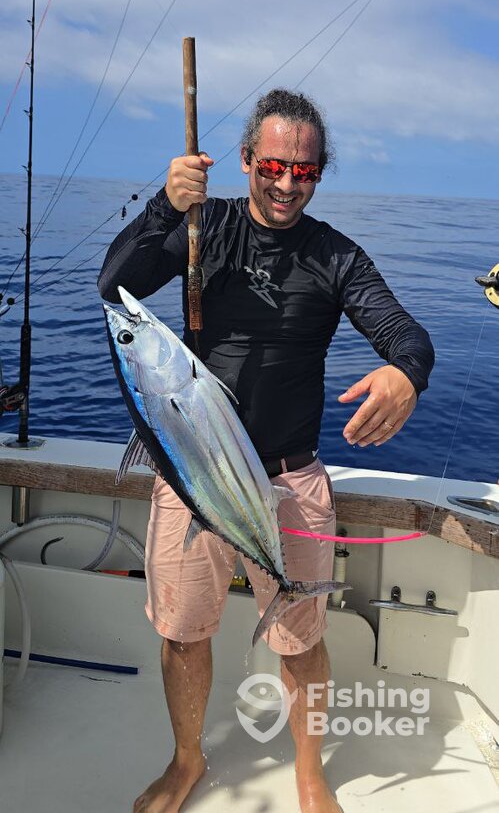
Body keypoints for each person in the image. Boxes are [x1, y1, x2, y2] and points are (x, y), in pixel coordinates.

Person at [98, 88, 434, 813]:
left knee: (300, 640)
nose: (286, 183)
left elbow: (403, 331)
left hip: (289, 482)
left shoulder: (335, 255)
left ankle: (310, 772)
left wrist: (406, 372)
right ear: (247, 159)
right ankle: (187, 760)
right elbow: (114, 286)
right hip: (191, 477)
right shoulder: (204, 224)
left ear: (319, 173)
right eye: (273, 165)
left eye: (303, 171)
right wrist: (164, 206)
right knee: (183, 635)